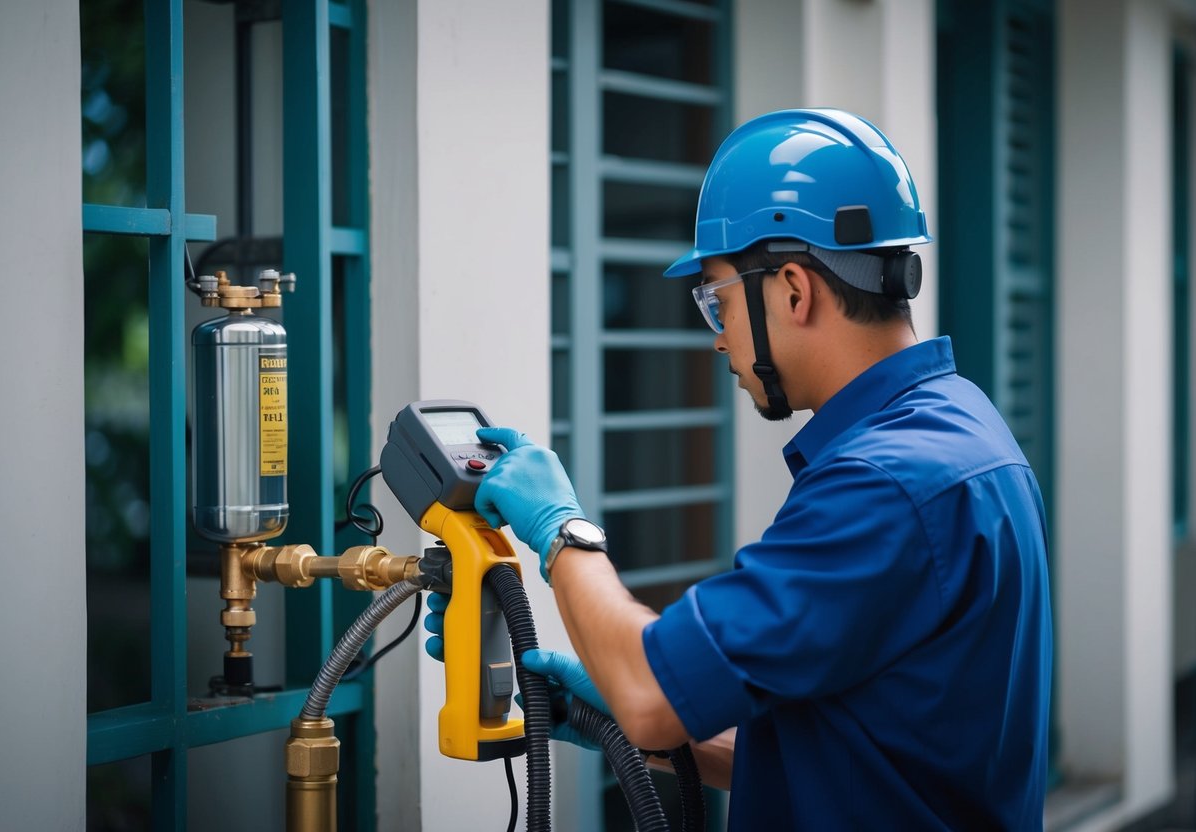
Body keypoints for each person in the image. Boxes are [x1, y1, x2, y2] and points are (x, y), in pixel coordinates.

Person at [428, 108, 1053, 829]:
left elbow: (650, 698)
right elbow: (848, 751)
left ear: (793, 288)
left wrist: (561, 530)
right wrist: (590, 711)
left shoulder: (884, 485)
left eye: (715, 299)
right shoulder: (962, 428)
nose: (718, 340)